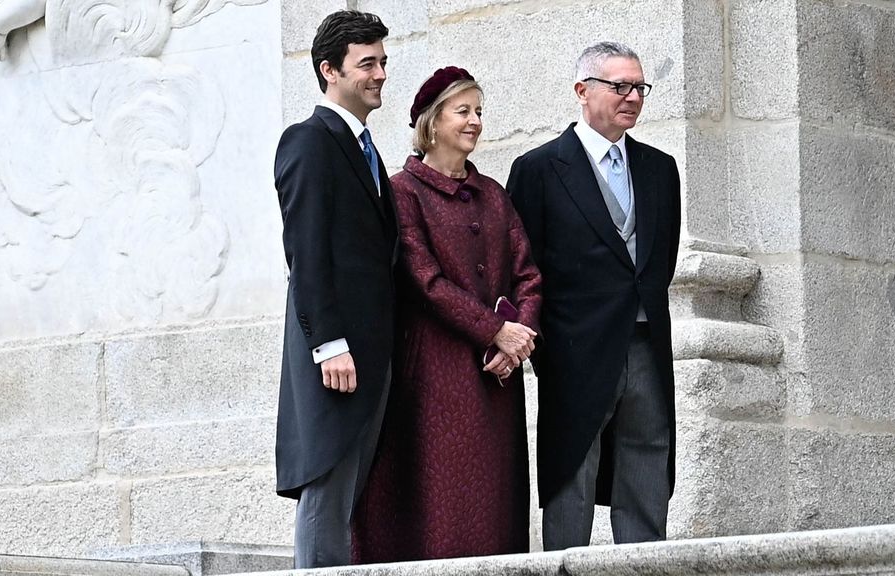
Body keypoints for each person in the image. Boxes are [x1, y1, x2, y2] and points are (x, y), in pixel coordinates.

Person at [352, 66, 542, 562]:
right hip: (434, 379)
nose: (476, 121)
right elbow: (424, 281)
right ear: (433, 124)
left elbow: (529, 276)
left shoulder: (494, 194)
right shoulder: (402, 192)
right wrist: (497, 330)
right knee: (441, 507)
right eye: (464, 111)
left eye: (479, 111)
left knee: (498, 510)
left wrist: (520, 338)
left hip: (496, 383)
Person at [507, 41, 681, 548]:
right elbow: (523, 269)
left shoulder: (660, 168)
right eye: (619, 85)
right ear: (583, 91)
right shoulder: (538, 169)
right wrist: (546, 350)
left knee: (647, 465)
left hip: (647, 343)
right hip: (574, 351)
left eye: (639, 87)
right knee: (571, 475)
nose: (632, 96)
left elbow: (658, 261)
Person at [272, 10, 398, 569]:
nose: (379, 75)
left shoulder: (369, 150)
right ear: (330, 70)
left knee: (351, 497)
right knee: (327, 489)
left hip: (371, 354)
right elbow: (306, 252)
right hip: (335, 353)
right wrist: (328, 344)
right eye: (366, 63)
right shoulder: (308, 141)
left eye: (383, 62)